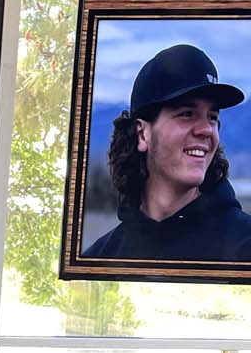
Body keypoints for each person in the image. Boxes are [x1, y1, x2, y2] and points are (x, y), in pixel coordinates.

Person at [82, 43, 251, 261]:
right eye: (187, 113)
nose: (207, 130)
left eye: (212, 117)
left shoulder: (244, 247)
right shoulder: (101, 258)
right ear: (142, 134)